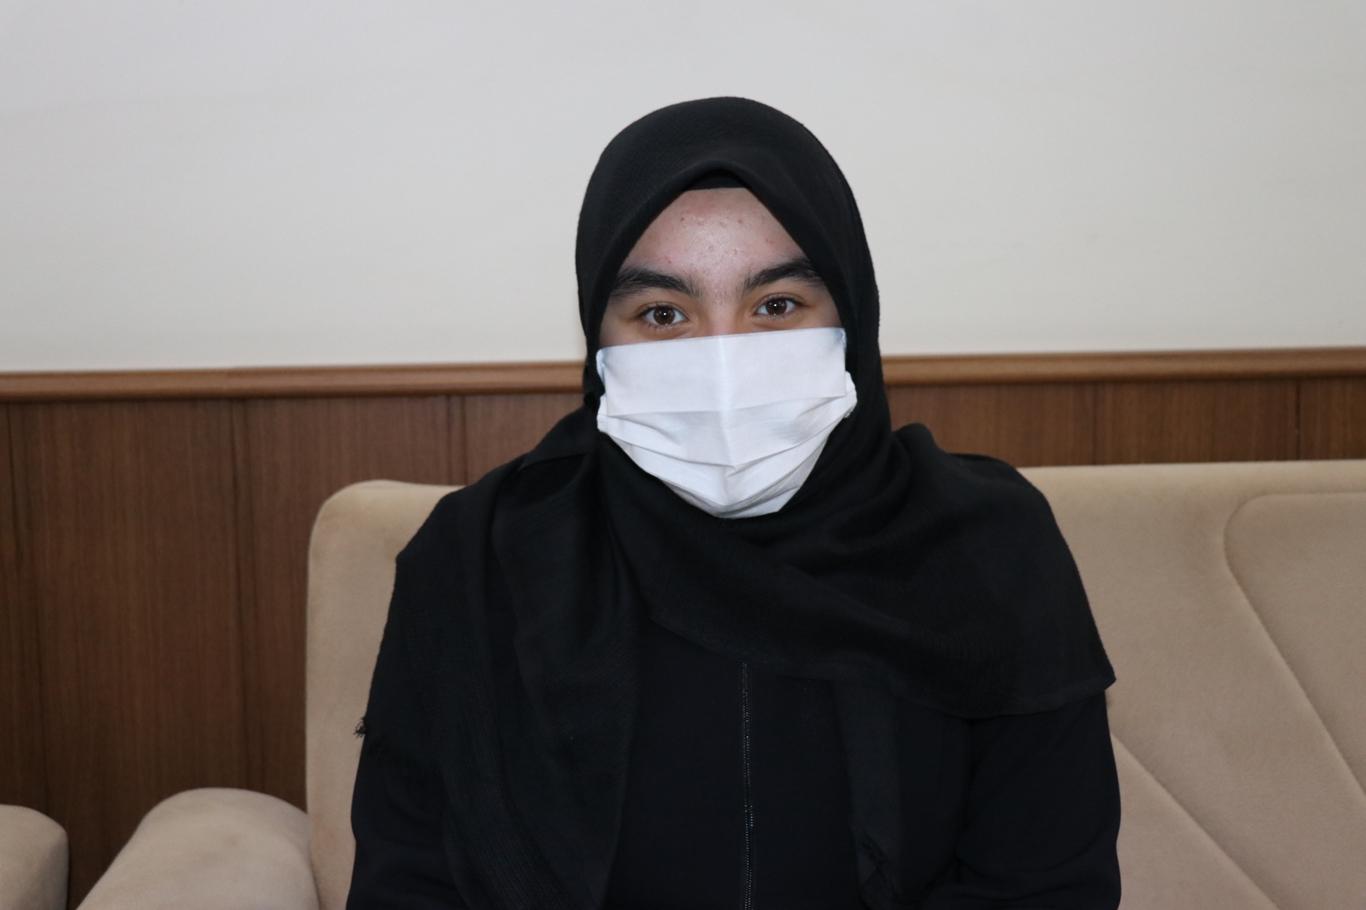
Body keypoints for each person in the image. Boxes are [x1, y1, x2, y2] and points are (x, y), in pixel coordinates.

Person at [346, 96, 1120, 910]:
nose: (723, 360)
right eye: (663, 314)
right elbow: (410, 881)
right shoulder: (480, 558)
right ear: (598, 339)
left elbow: (1048, 887)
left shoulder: (988, 545)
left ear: (851, 316)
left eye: (776, 306)